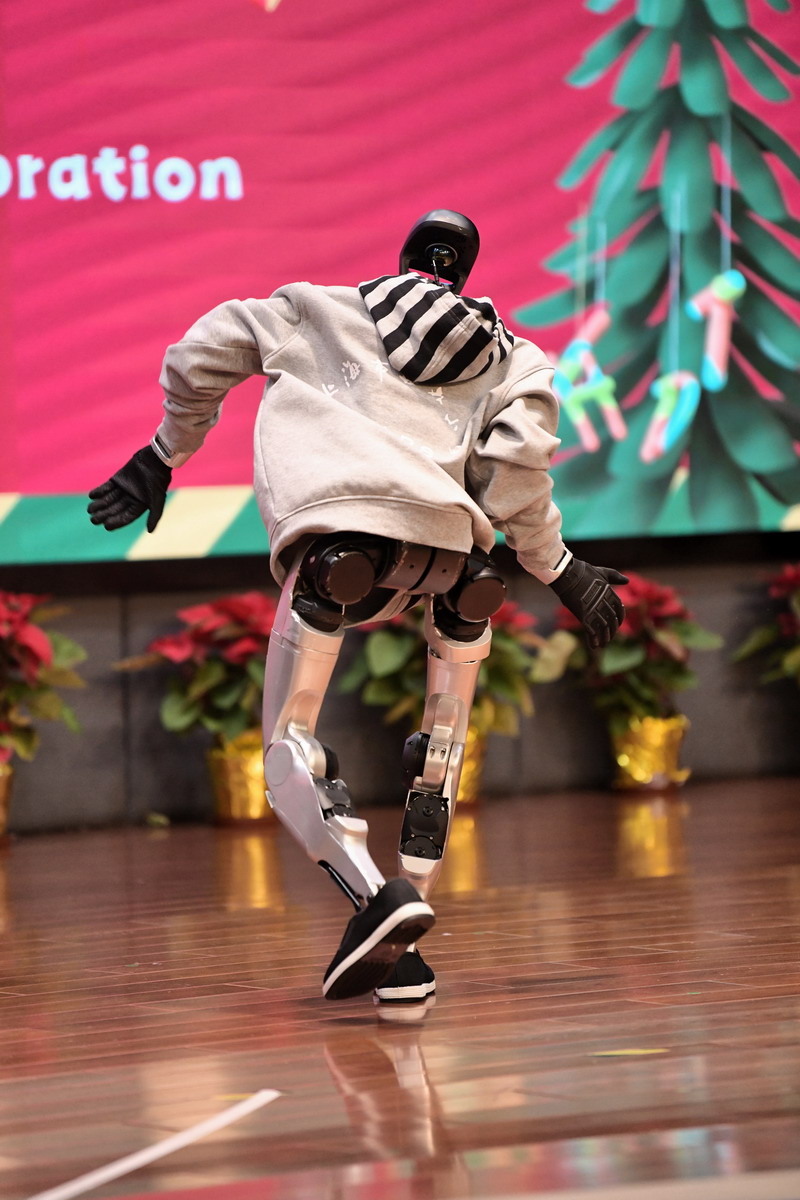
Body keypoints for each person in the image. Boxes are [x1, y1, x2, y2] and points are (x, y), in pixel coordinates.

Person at [89, 210, 626, 1006]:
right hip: (455, 559)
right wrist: (560, 568)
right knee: (442, 748)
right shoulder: (516, 358)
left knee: (288, 750)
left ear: (405, 259)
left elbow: (202, 351)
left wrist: (166, 450)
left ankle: (378, 900)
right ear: (466, 274)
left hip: (344, 554)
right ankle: (404, 954)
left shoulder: (317, 308)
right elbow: (517, 469)